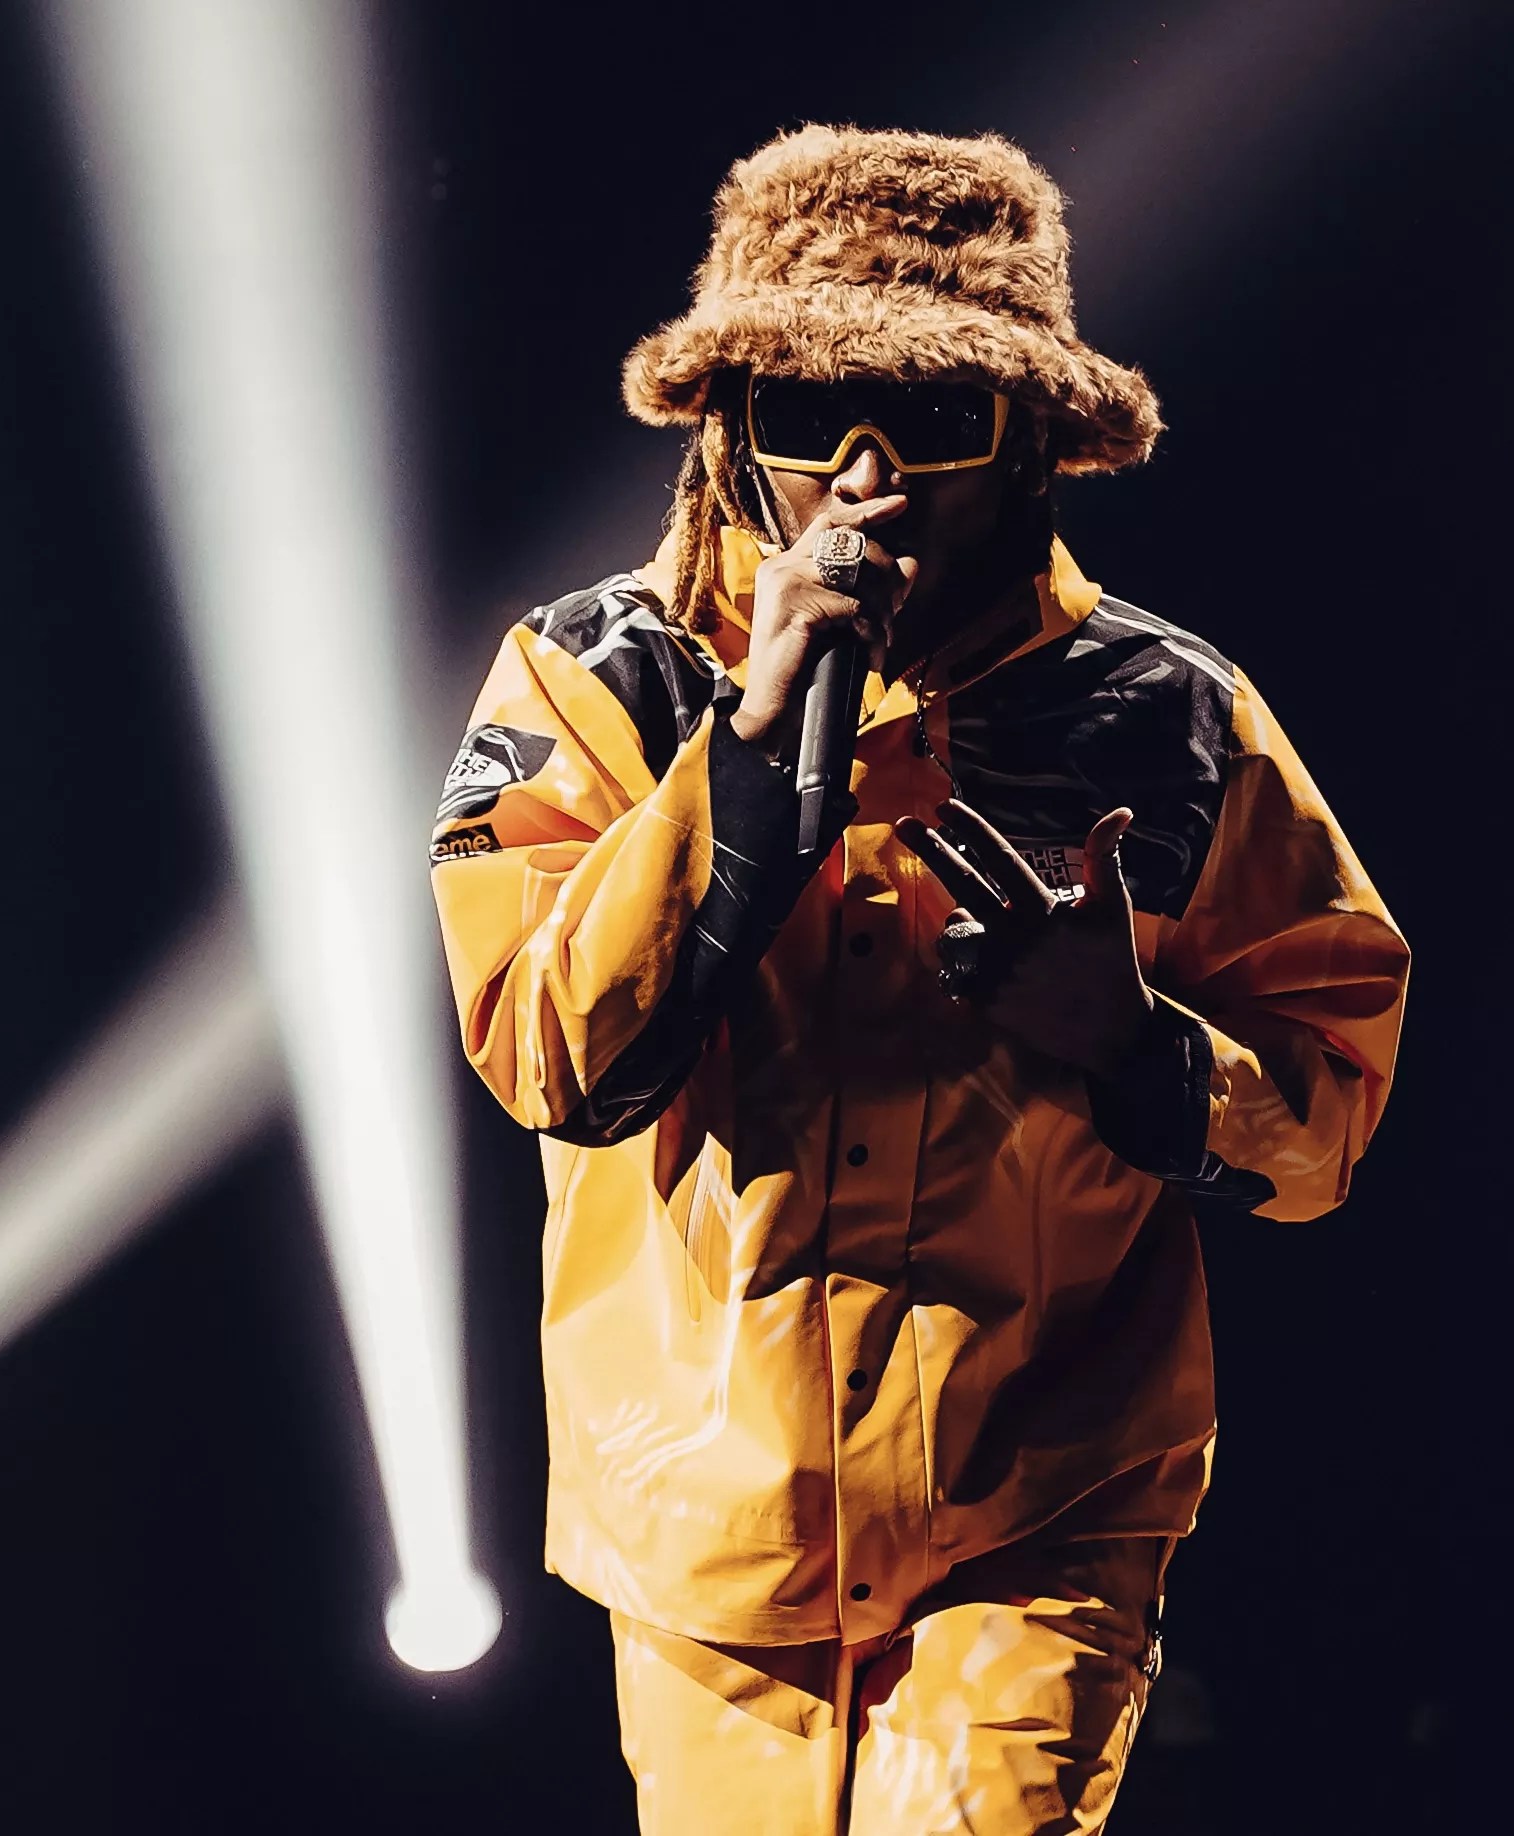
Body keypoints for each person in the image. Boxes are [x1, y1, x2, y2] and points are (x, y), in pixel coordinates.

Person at [428, 124, 1409, 1834]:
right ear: (731, 434)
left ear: (1026, 440)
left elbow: (1324, 1116)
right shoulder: (594, 679)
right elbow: (550, 1058)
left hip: (1037, 1500)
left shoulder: (1165, 716)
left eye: (934, 419)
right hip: (706, 1520)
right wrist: (747, 755)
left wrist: (1136, 1049)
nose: (866, 479)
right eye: (811, 418)